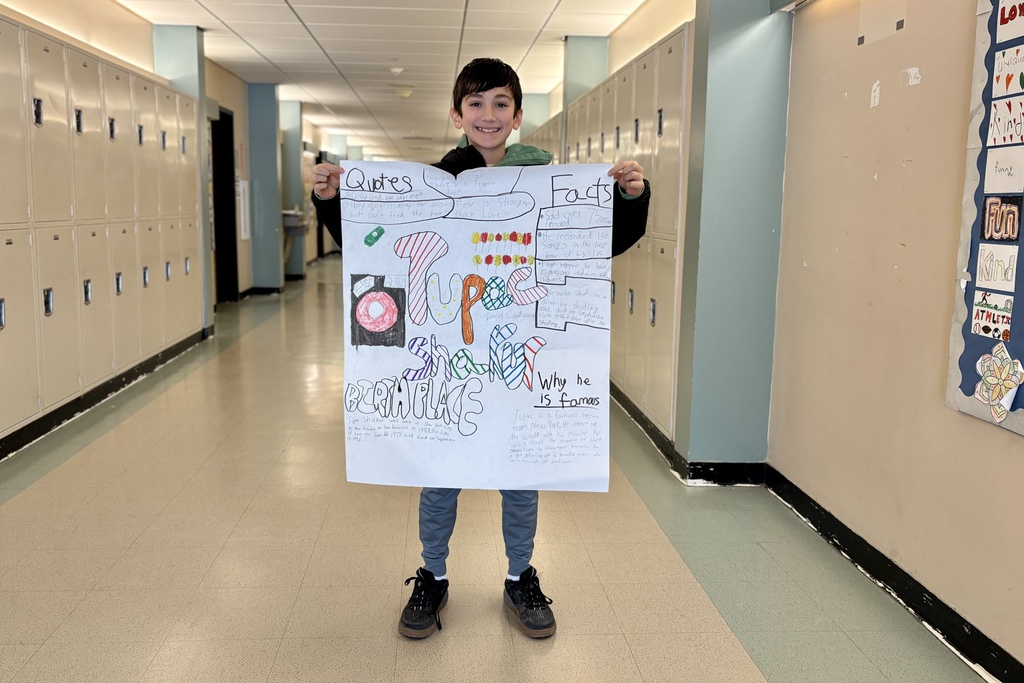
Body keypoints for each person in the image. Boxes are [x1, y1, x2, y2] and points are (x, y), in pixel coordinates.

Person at [310, 58, 650, 640]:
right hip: (452, 358)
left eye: (500, 104)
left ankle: (521, 576)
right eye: (475, 104)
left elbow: (598, 244)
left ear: (517, 116)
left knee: (521, 475)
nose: (487, 115)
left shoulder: (551, 180)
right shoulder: (435, 181)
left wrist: (629, 198)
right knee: (440, 473)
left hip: (518, 359)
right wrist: (333, 200)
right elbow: (377, 250)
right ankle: (433, 577)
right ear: (456, 114)